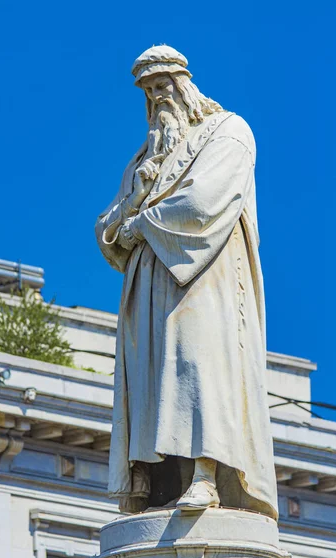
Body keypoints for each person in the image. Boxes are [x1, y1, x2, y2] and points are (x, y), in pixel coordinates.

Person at [95, 45, 278, 518]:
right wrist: (134, 199)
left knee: (200, 370)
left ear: (185, 84)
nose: (158, 99)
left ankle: (206, 476)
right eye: (149, 92)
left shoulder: (229, 131)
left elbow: (202, 206)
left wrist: (140, 224)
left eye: (164, 87)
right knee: (157, 383)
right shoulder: (144, 159)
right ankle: (163, 484)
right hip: (148, 291)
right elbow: (106, 229)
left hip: (204, 278)